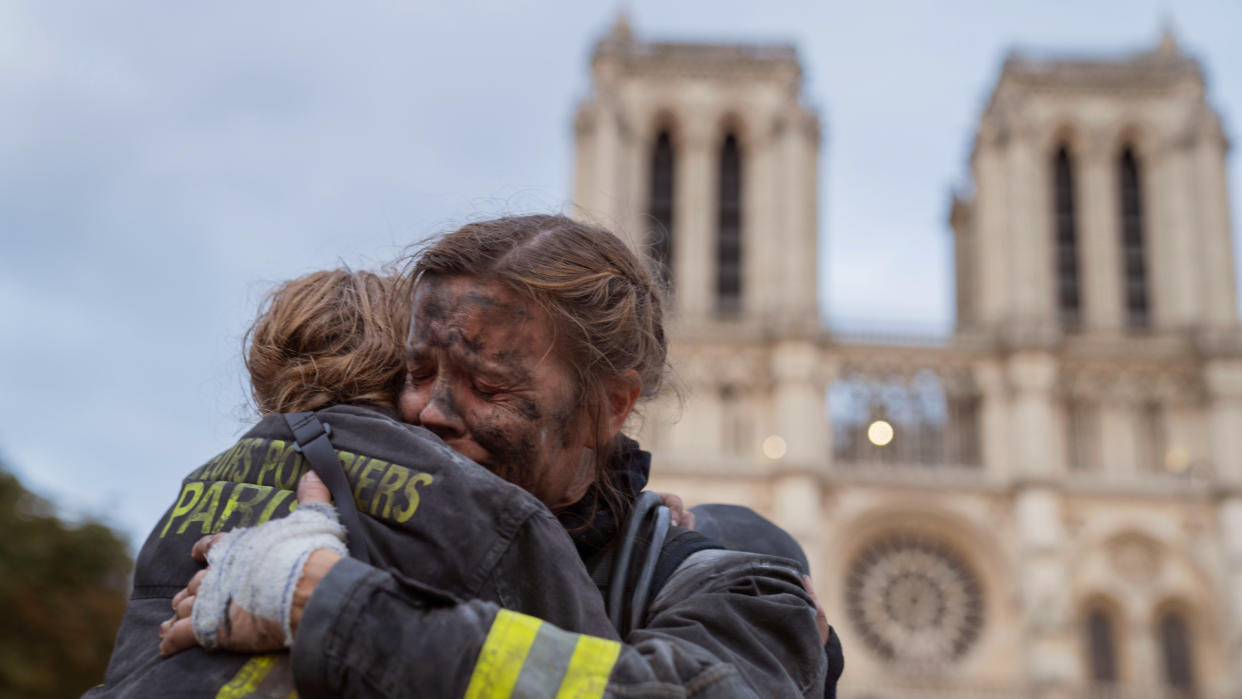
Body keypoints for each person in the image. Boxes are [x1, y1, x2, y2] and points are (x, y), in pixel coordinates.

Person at [163, 215, 832, 697]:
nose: (429, 411)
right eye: (418, 372)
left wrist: (340, 610)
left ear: (608, 408)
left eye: (488, 387)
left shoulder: (728, 581)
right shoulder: (321, 529)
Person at [88, 269, 618, 698]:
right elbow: (599, 673)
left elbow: (136, 661)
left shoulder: (194, 490)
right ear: (406, 362)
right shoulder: (485, 505)